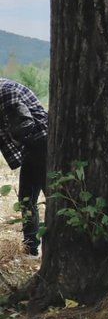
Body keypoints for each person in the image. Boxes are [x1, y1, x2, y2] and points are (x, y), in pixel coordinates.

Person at [0, 78, 48, 257]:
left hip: (41, 145)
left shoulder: (5, 92)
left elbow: (23, 127)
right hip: (34, 146)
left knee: (50, 197)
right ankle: (31, 248)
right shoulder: (4, 89)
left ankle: (48, 247)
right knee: (26, 200)